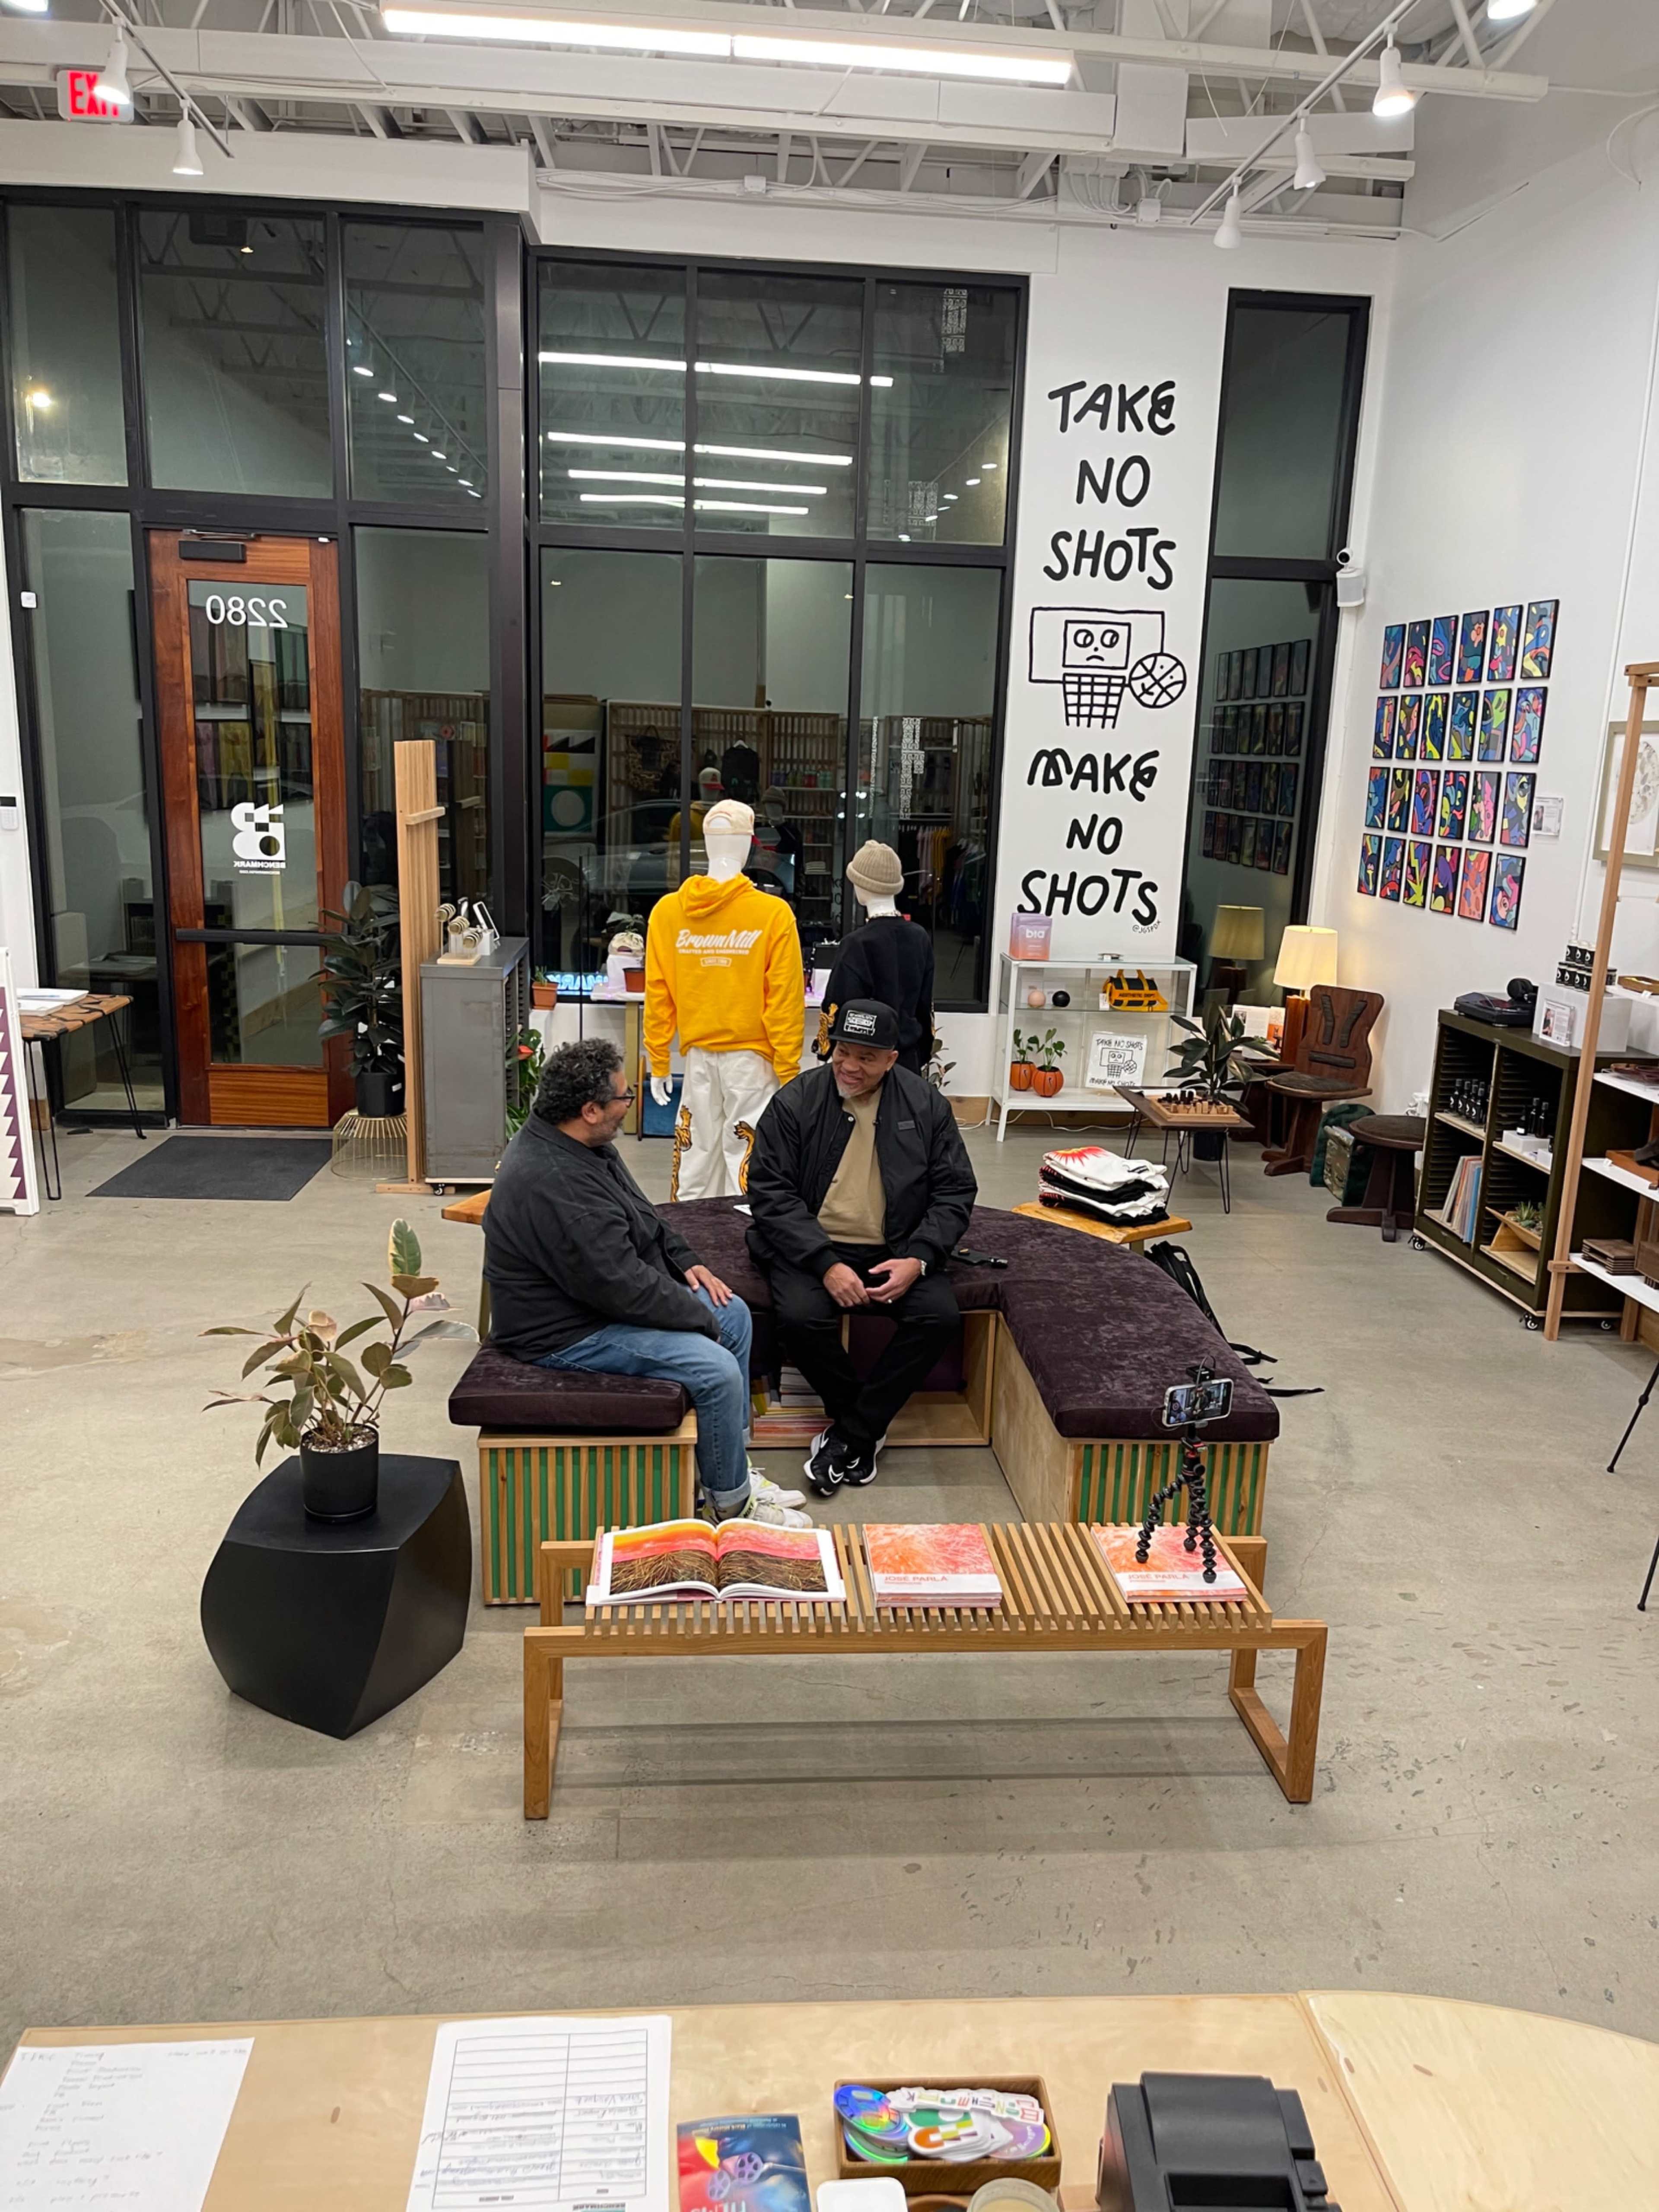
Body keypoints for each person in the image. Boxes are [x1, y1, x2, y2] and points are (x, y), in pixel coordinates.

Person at [484, 1037, 809, 1527]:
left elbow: (645, 1214)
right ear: (590, 1109)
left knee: (735, 1314)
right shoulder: (556, 1181)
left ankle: (732, 1468)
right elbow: (620, 1287)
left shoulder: (583, 1144)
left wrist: (686, 1261)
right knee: (717, 1367)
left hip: (596, 1299)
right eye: (624, 1096)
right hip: (562, 1331)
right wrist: (698, 1318)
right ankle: (731, 1507)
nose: (630, 1103)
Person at [746, 998, 978, 1496]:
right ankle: (863, 1426)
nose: (850, 1066)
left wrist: (919, 1258)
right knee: (802, 1318)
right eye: (842, 1052)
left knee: (938, 1316)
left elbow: (955, 1190)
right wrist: (825, 1263)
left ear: (892, 1059)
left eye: (866, 1057)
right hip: (811, 1244)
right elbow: (769, 1190)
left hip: (896, 1245)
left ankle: (851, 1433)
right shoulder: (796, 1100)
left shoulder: (925, 1105)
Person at [817, 840, 935, 1074]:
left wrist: (826, 1051)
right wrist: (923, 1052)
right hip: (909, 1060)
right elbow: (925, 1006)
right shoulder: (920, 937)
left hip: (865, 1063)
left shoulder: (857, 944)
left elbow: (838, 1007)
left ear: (861, 886)